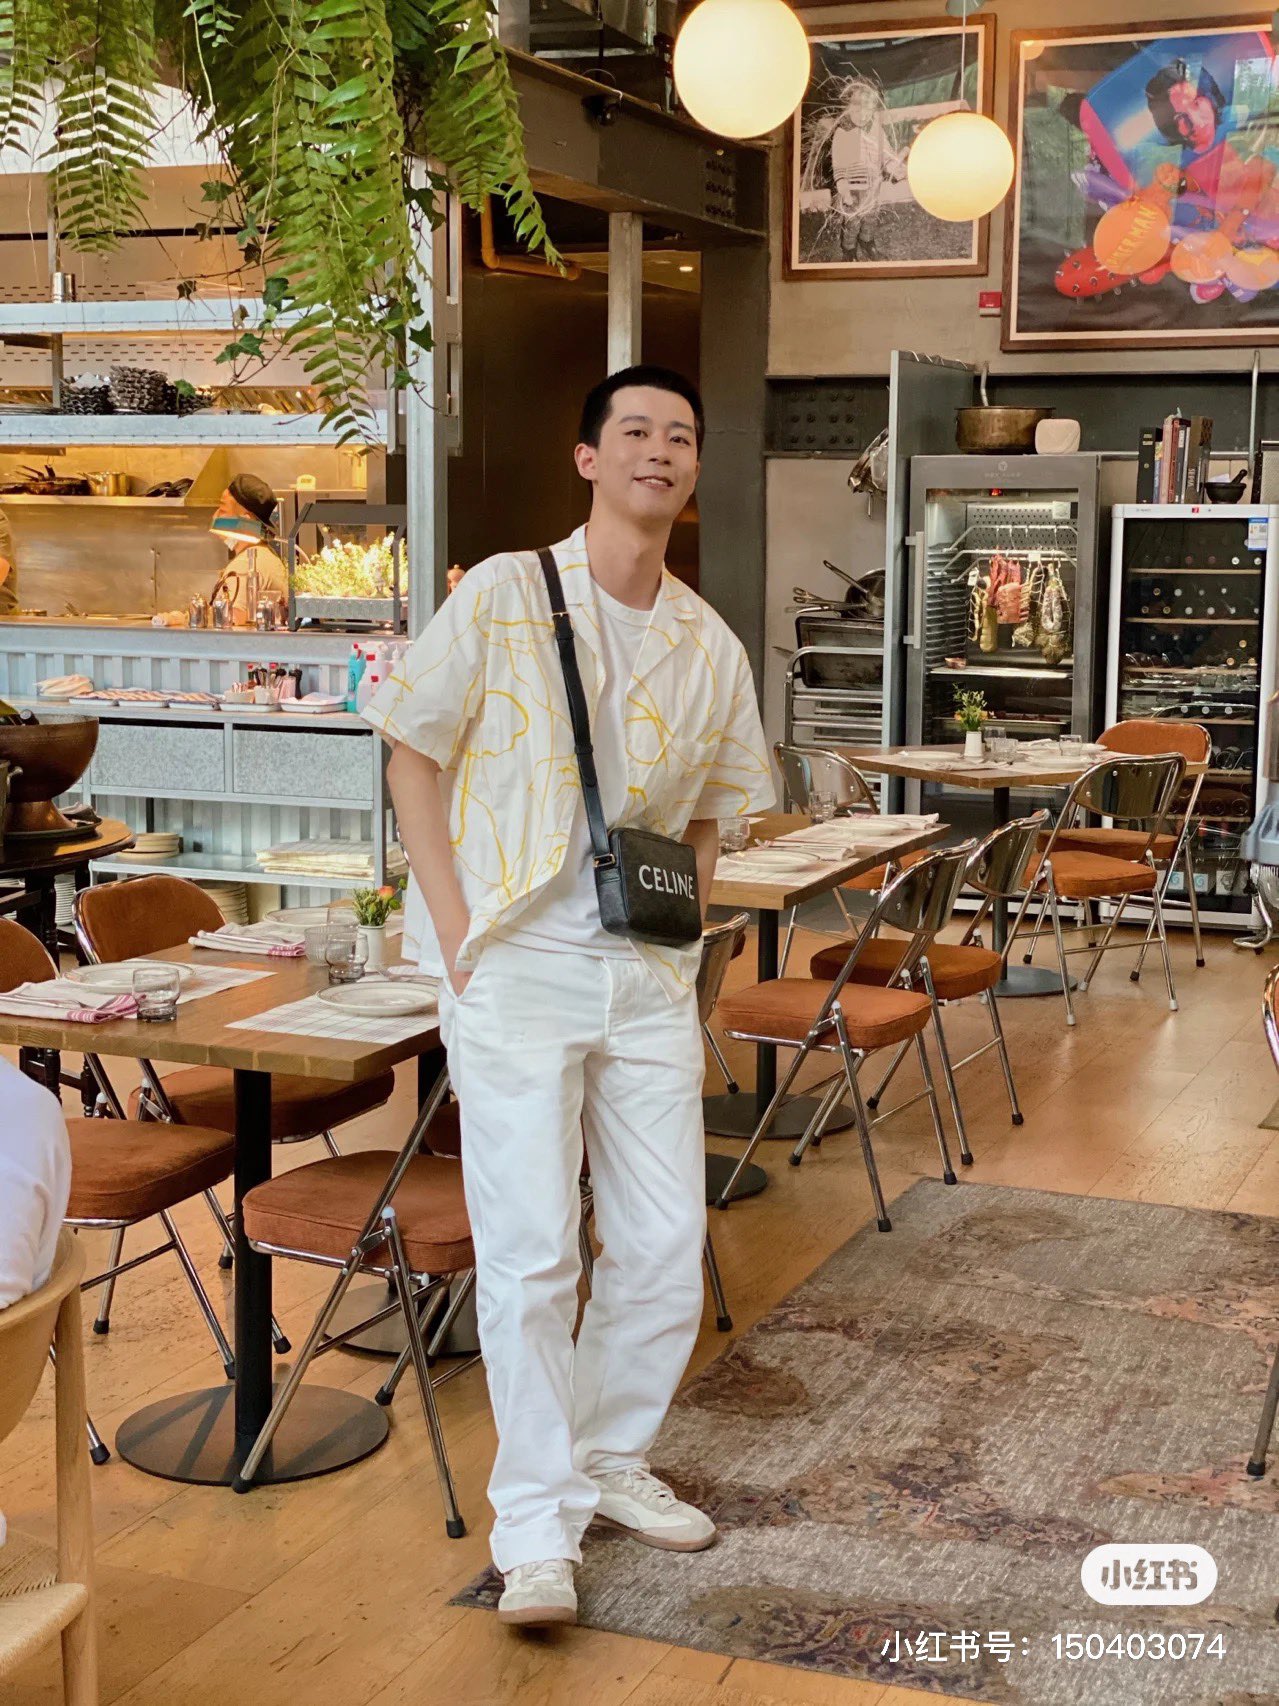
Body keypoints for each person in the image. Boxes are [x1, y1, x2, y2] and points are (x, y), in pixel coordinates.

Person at [364, 363, 773, 1628]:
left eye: (680, 435)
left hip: (642, 970)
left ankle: (607, 1455)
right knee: (534, 1248)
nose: (660, 449)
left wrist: (684, 956)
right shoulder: (501, 592)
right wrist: (452, 927)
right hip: (516, 959)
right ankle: (535, 1525)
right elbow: (411, 749)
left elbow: (709, 817)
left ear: (693, 467)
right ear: (588, 457)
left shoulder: (707, 640)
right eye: (635, 430)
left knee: (659, 1239)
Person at [208, 473, 287, 622]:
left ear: (244, 520)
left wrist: (181, 618)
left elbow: (233, 617)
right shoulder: (264, 554)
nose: (215, 515)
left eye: (222, 510)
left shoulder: (248, 564)